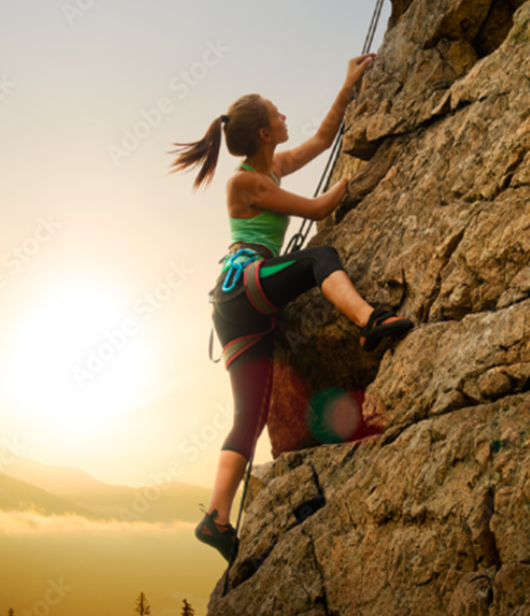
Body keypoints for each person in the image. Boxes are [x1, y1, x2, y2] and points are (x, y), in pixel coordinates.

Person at [170, 54, 413, 563]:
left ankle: (215, 519)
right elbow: (321, 209)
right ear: (263, 133)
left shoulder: (270, 167)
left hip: (238, 307)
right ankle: (368, 320)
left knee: (250, 418)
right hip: (246, 284)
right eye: (278, 113)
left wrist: (347, 86)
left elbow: (323, 142)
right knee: (318, 258)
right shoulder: (247, 183)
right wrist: (375, 171)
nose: (285, 116)